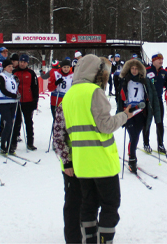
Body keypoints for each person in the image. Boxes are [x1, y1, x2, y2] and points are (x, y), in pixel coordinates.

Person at [60, 55, 134, 244]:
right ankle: (105, 241)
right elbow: (106, 126)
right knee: (110, 205)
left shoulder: (69, 95)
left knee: (88, 206)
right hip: (102, 161)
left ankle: (90, 240)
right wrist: (124, 116)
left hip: (82, 163)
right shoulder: (94, 91)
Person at [116, 58, 160, 170]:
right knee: (133, 135)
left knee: (136, 136)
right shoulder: (125, 80)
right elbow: (119, 97)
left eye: (136, 68)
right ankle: (132, 159)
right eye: (132, 68)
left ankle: (131, 154)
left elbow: (152, 95)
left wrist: (154, 111)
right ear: (129, 69)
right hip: (128, 111)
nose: (134, 71)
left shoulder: (145, 81)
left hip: (140, 112)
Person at [144, 53, 167, 154]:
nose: (161, 61)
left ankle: (160, 144)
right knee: (147, 123)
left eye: (162, 59)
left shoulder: (164, 72)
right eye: (158, 59)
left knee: (159, 122)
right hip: (148, 101)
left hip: (158, 100)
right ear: (153, 60)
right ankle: (146, 143)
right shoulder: (147, 70)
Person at [14, 54, 39, 151]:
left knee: (28, 122)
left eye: (24, 62)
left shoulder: (31, 73)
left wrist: (35, 101)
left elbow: (35, 88)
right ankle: (13, 143)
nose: (22, 64)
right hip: (17, 101)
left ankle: (30, 143)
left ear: (27, 63)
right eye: (21, 62)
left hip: (28, 102)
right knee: (16, 123)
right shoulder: (14, 72)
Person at [0, 59, 19, 154]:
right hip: (4, 103)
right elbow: (3, 90)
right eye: (9, 66)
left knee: (11, 124)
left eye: (12, 67)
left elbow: (14, 89)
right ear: (4, 67)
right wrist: (14, 95)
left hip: (13, 103)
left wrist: (17, 83)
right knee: (8, 123)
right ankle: (3, 144)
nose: (11, 68)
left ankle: (9, 145)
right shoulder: (1, 77)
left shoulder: (12, 77)